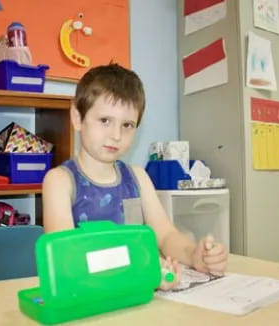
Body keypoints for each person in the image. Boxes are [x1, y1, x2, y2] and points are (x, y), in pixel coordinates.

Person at [42, 63, 228, 288]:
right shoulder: (60, 181)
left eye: (128, 125)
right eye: (105, 121)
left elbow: (166, 235)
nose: (116, 135)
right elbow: (67, 259)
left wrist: (193, 255)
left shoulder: (137, 177)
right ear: (77, 117)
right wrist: (142, 271)